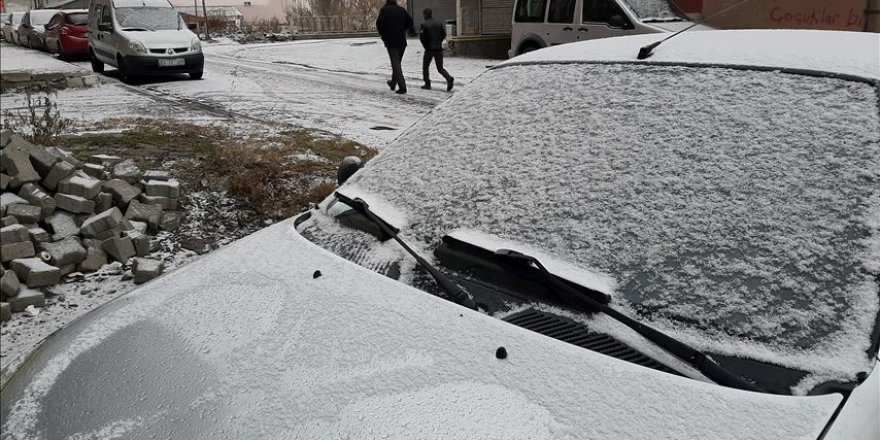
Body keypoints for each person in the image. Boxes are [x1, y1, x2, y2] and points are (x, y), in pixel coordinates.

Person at [376, 0, 414, 94]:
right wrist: (401, 29)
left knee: (396, 64)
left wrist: (384, 35)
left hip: (391, 41)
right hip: (401, 40)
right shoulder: (401, 10)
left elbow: (379, 24)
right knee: (396, 63)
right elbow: (409, 22)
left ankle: (402, 87)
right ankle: (393, 83)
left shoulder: (384, 10)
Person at [418, 8, 454, 91]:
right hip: (438, 49)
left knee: (425, 67)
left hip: (429, 49)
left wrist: (426, 45)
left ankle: (427, 83)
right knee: (440, 68)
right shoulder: (438, 23)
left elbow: (422, 38)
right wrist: (438, 42)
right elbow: (443, 34)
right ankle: (449, 78)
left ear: (425, 15)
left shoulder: (424, 25)